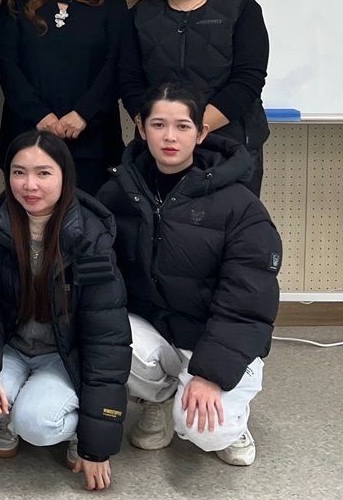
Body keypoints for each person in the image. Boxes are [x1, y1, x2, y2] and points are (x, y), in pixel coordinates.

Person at [98, 82, 281, 467]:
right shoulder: (117, 193)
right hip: (155, 333)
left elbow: (248, 300)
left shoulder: (240, 205)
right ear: (141, 127)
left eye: (182, 126)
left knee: (206, 432)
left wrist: (211, 374)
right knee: (100, 325)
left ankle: (233, 415)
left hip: (212, 335)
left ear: (201, 133)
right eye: (158, 124)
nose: (169, 137)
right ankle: (158, 400)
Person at [0, 131, 130, 491]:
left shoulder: (90, 238)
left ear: (65, 176)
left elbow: (106, 339)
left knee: (38, 424)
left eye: (43, 173)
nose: (29, 185)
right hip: (14, 346)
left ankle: (66, 423)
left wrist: (95, 444)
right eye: (19, 172)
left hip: (64, 354)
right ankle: (8, 416)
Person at [120, 0, 270, 194]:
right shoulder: (139, 15)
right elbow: (129, 81)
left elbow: (248, 80)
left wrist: (191, 130)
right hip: (160, 154)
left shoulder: (242, 8)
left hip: (231, 152)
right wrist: (161, 130)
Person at [0, 0, 127, 196]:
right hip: (27, 138)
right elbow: (5, 64)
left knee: (91, 221)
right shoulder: (17, 0)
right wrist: (40, 116)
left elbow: (118, 63)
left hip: (94, 143)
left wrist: (83, 115)